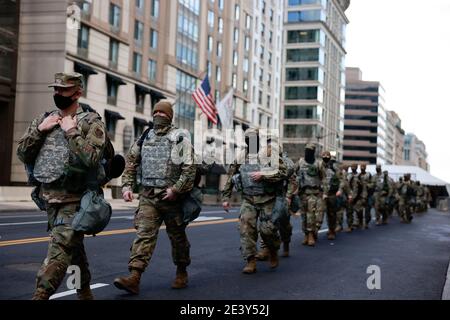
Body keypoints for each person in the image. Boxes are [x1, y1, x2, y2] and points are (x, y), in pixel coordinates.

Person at [17, 72, 107, 300]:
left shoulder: (91, 122)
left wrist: (72, 131)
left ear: (78, 93)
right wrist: (40, 131)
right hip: (49, 199)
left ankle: (40, 294)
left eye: (63, 90)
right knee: (73, 251)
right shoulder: (44, 119)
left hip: (75, 202)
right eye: (55, 89)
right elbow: (23, 153)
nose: (58, 94)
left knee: (58, 253)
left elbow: (92, 159)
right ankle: (84, 291)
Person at [114, 101, 196, 294]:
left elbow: (189, 168)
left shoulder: (179, 138)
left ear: (170, 116)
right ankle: (134, 277)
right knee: (144, 235)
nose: (158, 114)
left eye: (162, 112)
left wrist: (176, 189)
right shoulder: (145, 136)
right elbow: (131, 162)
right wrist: (127, 186)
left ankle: (181, 270)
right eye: (156, 111)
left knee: (177, 238)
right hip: (148, 197)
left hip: (172, 199)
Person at [222, 130, 287, 274]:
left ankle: (273, 250)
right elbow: (231, 176)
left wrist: (264, 174)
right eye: (247, 139)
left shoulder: (269, 153)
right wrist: (225, 197)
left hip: (267, 199)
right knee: (246, 228)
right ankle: (251, 260)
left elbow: (283, 172)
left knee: (267, 230)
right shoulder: (241, 156)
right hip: (248, 199)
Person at [288, 144, 327, 247]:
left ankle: (311, 234)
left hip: (315, 193)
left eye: (310, 151)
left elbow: (324, 178)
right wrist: (293, 185)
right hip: (303, 193)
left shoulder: (318, 164)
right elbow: (291, 172)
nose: (307, 153)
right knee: (305, 216)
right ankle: (306, 234)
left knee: (314, 216)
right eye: (306, 151)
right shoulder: (300, 162)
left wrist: (325, 193)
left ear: (313, 152)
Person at [322, 151, 346, 240]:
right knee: (319, 214)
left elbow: (342, 180)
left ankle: (332, 230)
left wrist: (339, 190)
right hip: (322, 193)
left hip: (332, 193)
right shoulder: (320, 166)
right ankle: (311, 233)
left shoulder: (336, 168)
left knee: (331, 213)